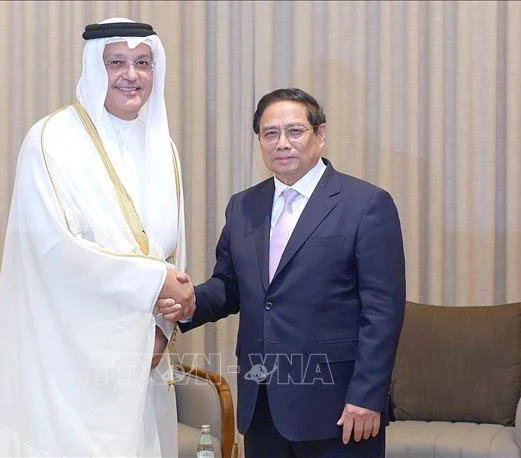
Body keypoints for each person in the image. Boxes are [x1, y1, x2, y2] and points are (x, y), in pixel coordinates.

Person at [0, 18, 194, 457]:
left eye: (142, 63)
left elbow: (170, 249)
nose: (131, 75)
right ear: (95, 68)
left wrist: (163, 324)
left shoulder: (162, 146)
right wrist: (156, 286)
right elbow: (55, 251)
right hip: (67, 358)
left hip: (142, 352)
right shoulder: (51, 140)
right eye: (116, 62)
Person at [160, 88, 405, 457]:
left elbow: (383, 312)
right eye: (270, 133)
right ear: (260, 141)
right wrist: (187, 303)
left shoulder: (366, 204)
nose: (282, 143)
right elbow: (230, 286)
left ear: (320, 135)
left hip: (340, 409)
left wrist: (367, 396)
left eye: (295, 131)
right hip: (263, 406)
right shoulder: (244, 206)